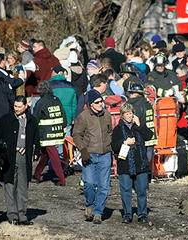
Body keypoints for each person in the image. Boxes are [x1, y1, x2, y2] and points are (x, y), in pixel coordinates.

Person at [0, 96, 40, 225]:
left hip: (24, 157)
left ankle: (22, 214)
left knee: (22, 186)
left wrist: (36, 152)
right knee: (10, 185)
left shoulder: (31, 120)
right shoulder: (5, 120)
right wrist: (8, 149)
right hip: (9, 156)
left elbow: (36, 138)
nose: (16, 109)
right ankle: (12, 215)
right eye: (15, 106)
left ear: (26, 106)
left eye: (19, 107)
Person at [73, 89, 112, 224]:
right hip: (89, 155)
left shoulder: (107, 115)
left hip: (105, 155)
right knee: (89, 183)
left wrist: (112, 149)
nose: (101, 104)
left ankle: (98, 212)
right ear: (91, 104)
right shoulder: (83, 116)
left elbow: (110, 132)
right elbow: (76, 135)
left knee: (104, 186)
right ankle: (89, 204)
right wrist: (83, 150)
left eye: (101, 101)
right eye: (97, 102)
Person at [111, 103, 152, 224]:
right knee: (125, 190)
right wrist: (125, 142)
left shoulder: (138, 126)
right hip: (125, 164)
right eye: (127, 113)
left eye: (131, 113)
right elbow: (113, 146)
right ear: (122, 115)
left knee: (141, 190)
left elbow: (149, 136)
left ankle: (142, 214)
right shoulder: (118, 129)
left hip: (141, 164)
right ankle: (127, 214)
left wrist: (140, 125)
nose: (130, 116)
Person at [33, 81, 67, 186]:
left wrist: (35, 134)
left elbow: (35, 119)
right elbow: (63, 116)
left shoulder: (40, 102)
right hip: (58, 131)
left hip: (46, 134)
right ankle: (37, 174)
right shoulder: (56, 100)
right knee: (45, 154)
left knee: (53, 155)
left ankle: (61, 179)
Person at [127, 83, 157, 163]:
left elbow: (134, 122)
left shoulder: (135, 105)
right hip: (150, 136)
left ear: (135, 94)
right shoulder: (147, 104)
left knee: (141, 162)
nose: (129, 95)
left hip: (142, 136)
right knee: (148, 157)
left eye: (131, 93)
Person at [27, 40, 60, 111]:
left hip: (37, 94)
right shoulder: (55, 60)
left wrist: (28, 94)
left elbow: (29, 79)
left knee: (36, 119)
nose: (33, 49)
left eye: (34, 47)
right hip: (53, 93)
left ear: (41, 47)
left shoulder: (35, 61)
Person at [49, 65, 77, 137]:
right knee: (67, 137)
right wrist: (74, 117)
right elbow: (74, 105)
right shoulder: (71, 86)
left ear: (54, 73)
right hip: (67, 116)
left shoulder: (48, 85)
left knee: (55, 139)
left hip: (53, 116)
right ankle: (68, 148)